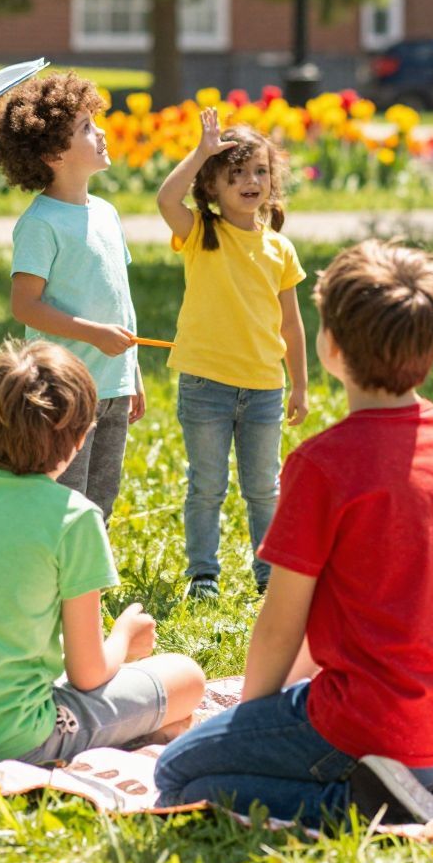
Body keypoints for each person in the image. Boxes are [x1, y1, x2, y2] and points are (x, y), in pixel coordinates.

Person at [153, 240, 433, 826]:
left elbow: (280, 623)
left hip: (381, 723)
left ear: (330, 347)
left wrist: (251, 722)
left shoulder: (323, 465)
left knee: (180, 776)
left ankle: (371, 805)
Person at [0, 341, 206, 762]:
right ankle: (134, 733)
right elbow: (87, 674)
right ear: (77, 437)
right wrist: (124, 638)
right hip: (9, 737)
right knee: (187, 677)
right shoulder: (75, 518)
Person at [155, 108, 308, 600]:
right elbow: (164, 198)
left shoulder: (280, 249)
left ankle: (268, 575)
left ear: (272, 182)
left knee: (264, 488)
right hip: (205, 385)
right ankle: (204, 574)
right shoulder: (202, 232)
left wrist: (300, 384)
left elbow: (291, 323)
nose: (250, 181)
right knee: (207, 486)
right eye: (235, 173)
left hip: (265, 388)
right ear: (212, 187)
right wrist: (201, 151)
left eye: (260, 171)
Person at [0, 72, 144, 523]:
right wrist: (93, 334)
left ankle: (84, 588)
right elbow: (25, 306)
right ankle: (52, 587)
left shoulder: (107, 213)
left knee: (101, 501)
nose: (99, 133)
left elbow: (122, 296)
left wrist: (131, 373)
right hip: (64, 393)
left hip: (112, 386)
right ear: (53, 154)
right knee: (64, 501)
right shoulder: (41, 224)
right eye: (85, 128)